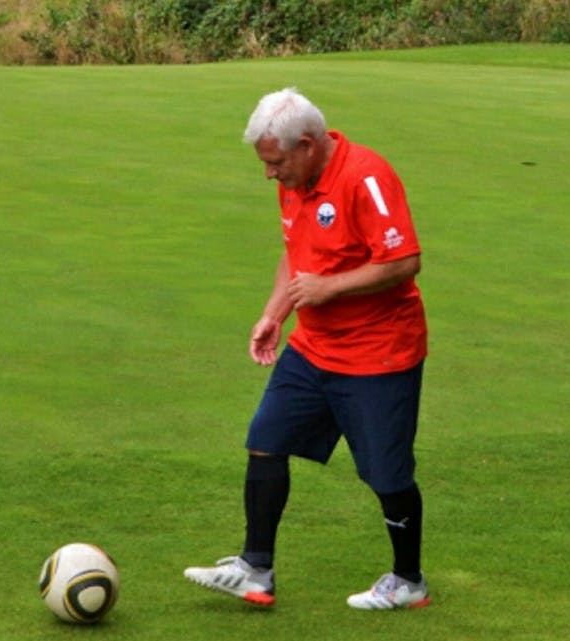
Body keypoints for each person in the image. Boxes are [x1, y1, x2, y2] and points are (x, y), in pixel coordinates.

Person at [184, 87, 430, 610]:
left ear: (309, 144)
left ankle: (408, 581)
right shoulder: (295, 181)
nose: (270, 175)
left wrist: (328, 288)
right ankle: (256, 570)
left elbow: (404, 260)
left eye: (275, 163)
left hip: (378, 353)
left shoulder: (367, 177)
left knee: (386, 476)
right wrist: (274, 315)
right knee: (265, 438)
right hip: (313, 347)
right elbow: (296, 255)